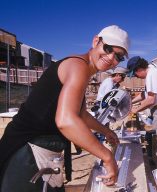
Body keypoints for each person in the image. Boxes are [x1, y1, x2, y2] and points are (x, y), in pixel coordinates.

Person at [0, 25, 129, 192]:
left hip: (33, 147)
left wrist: (105, 131)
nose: (111, 57)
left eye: (118, 56)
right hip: (25, 150)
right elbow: (66, 121)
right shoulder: (78, 66)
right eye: (108, 48)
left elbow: (80, 114)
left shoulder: (82, 69)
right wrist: (107, 156)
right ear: (96, 41)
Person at [126, 56, 157, 176]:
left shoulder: (152, 74)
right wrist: (129, 102)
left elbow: (150, 100)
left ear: (139, 69)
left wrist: (135, 110)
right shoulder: (153, 73)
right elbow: (144, 95)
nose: (137, 77)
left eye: (136, 74)